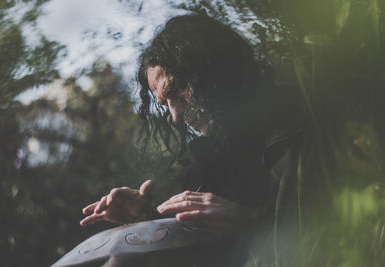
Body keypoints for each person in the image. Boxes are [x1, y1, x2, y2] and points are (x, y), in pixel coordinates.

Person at [80, 14, 305, 240]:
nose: (176, 116)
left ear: (213, 68)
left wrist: (250, 222)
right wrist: (145, 218)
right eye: (165, 104)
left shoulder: (305, 117)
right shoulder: (207, 167)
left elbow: (325, 228)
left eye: (177, 91)